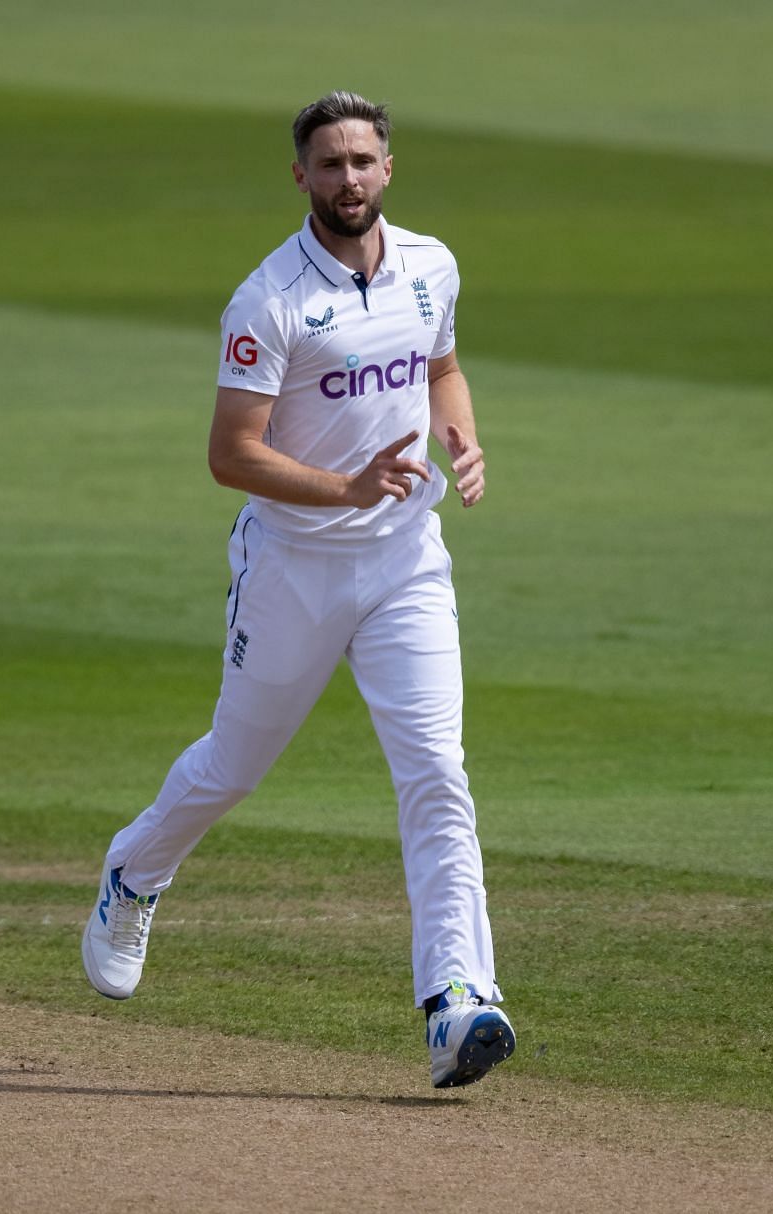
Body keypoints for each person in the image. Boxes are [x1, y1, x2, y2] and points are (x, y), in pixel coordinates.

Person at [81, 91, 515, 1089]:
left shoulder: (432, 265)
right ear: (301, 177)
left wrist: (463, 433)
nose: (348, 179)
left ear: (388, 169)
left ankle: (458, 1000)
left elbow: (441, 364)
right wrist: (342, 488)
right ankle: (135, 869)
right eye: (330, 164)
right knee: (234, 764)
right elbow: (230, 455)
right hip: (292, 564)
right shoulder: (268, 299)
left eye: (363, 161)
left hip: (407, 559)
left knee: (437, 771)